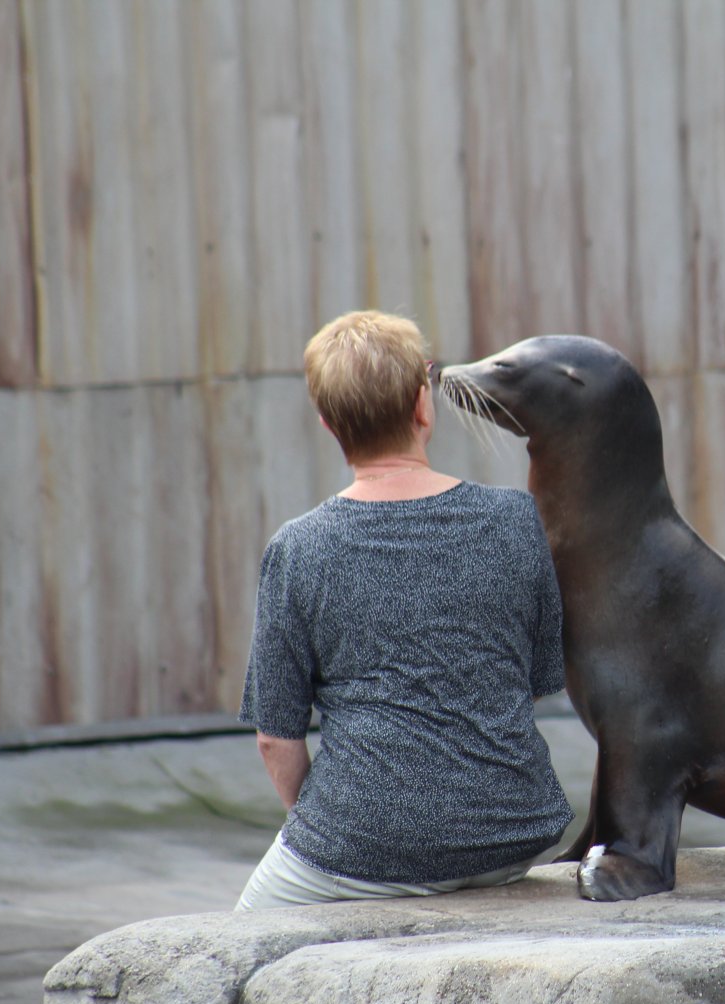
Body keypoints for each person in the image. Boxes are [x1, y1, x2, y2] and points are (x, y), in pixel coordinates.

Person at [234, 310, 572, 910]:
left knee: (240, 935)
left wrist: (341, 824)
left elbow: (274, 737)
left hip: (358, 849)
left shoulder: (298, 548)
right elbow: (538, 680)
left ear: (327, 422)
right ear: (423, 404)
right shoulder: (518, 521)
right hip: (514, 836)